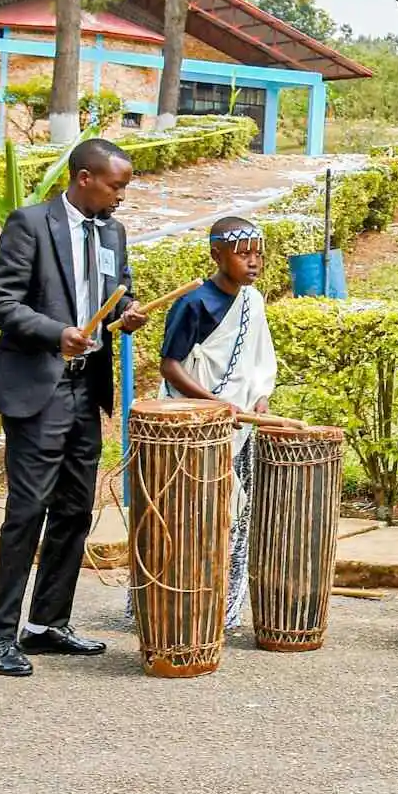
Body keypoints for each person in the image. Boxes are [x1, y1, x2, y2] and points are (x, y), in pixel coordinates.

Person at [0, 138, 149, 677]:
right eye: (116, 185)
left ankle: (46, 624)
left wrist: (128, 310)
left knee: (75, 510)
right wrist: (59, 334)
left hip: (85, 391)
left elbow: (115, 293)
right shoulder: (30, 224)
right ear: (83, 178)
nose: (122, 195)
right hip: (38, 389)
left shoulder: (112, 232)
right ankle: (0, 634)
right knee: (27, 512)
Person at [157, 217, 279, 634]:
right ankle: (170, 604)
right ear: (217, 255)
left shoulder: (253, 302)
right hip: (193, 424)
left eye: (258, 253)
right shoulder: (194, 303)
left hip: (239, 425)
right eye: (243, 253)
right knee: (185, 514)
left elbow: (259, 362)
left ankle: (225, 607)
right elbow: (170, 365)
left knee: (235, 512)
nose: (253, 262)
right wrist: (211, 403)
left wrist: (260, 397)